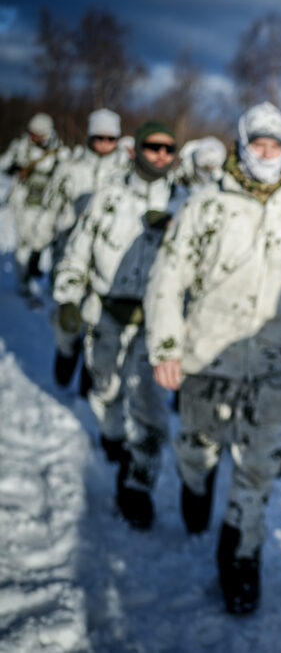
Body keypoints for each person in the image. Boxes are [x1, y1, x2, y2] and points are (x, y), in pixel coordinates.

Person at [144, 102, 281, 615]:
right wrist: (165, 346)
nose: (267, 153)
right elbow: (168, 277)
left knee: (257, 471)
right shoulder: (207, 204)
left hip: (274, 366)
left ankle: (241, 559)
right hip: (208, 359)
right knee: (197, 450)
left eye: (276, 144)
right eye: (258, 143)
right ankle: (195, 483)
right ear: (242, 144)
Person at [52, 120, 184, 529]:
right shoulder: (109, 196)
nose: (161, 155)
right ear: (136, 150)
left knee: (148, 407)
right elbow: (78, 251)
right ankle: (111, 434)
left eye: (168, 149)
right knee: (105, 386)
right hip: (106, 314)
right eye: (152, 147)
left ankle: (138, 484)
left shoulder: (185, 203)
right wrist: (69, 296)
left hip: (154, 326)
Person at [38, 108, 131, 386]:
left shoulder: (125, 172)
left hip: (106, 260)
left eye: (111, 138)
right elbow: (51, 206)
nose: (105, 143)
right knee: (66, 318)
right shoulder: (71, 168)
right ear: (90, 137)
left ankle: (88, 380)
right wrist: (41, 241)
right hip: (69, 253)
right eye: (99, 137)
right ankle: (66, 353)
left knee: (98, 325)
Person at [0, 112, 69, 296]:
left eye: (37, 135)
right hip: (24, 204)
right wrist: (15, 167)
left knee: (44, 244)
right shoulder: (21, 147)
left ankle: (47, 279)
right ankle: (24, 282)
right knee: (23, 245)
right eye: (31, 133)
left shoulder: (60, 152)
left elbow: (67, 177)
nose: (33, 138)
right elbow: (4, 165)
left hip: (49, 207)